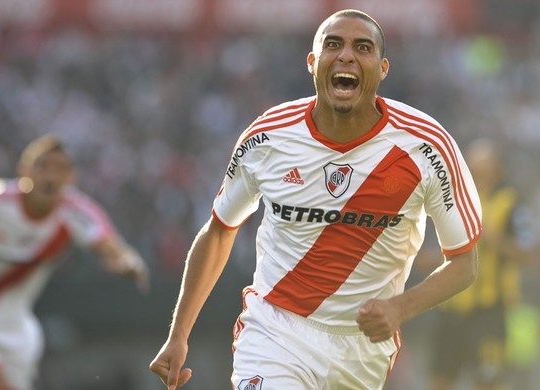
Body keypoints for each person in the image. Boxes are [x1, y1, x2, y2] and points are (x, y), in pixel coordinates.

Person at [150, 9, 482, 390]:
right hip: (275, 329)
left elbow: (464, 263)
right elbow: (220, 232)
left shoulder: (427, 146)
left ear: (383, 67)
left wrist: (398, 308)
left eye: (363, 47)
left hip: (361, 348)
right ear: (312, 62)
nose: (346, 56)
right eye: (333, 44)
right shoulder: (268, 137)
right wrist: (179, 334)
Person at [0, 134, 150, 390]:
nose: (50, 176)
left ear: (71, 178)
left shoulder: (76, 213)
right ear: (24, 171)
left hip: (14, 328)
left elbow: (110, 245)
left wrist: (128, 263)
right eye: (42, 166)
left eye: (60, 169)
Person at [428, 138, 536, 390]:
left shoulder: (511, 202)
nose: (475, 171)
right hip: (450, 306)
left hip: (490, 310)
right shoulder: (453, 197)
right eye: (472, 165)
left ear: (497, 168)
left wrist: (489, 236)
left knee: (488, 382)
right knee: (440, 379)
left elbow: (527, 253)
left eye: (482, 165)